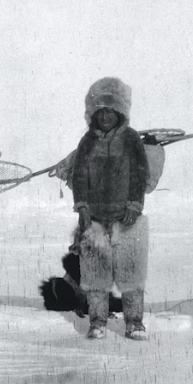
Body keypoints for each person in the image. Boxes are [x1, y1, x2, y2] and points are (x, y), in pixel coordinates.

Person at [70, 77, 150, 340]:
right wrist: (81, 206)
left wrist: (135, 205)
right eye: (100, 111)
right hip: (94, 219)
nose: (105, 116)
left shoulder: (130, 139)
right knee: (95, 276)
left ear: (120, 112)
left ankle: (134, 321)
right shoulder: (87, 142)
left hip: (126, 218)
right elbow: (79, 175)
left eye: (110, 110)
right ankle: (97, 321)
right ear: (93, 113)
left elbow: (140, 173)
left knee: (131, 273)